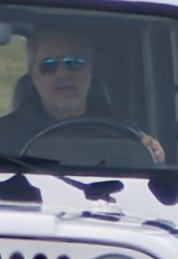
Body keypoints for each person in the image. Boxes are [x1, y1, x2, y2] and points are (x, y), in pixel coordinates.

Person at [12, 26, 163, 162]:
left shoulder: (126, 136)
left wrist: (153, 155)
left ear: (90, 70)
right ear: (34, 76)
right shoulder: (1, 139)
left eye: (74, 62)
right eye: (49, 65)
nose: (62, 74)